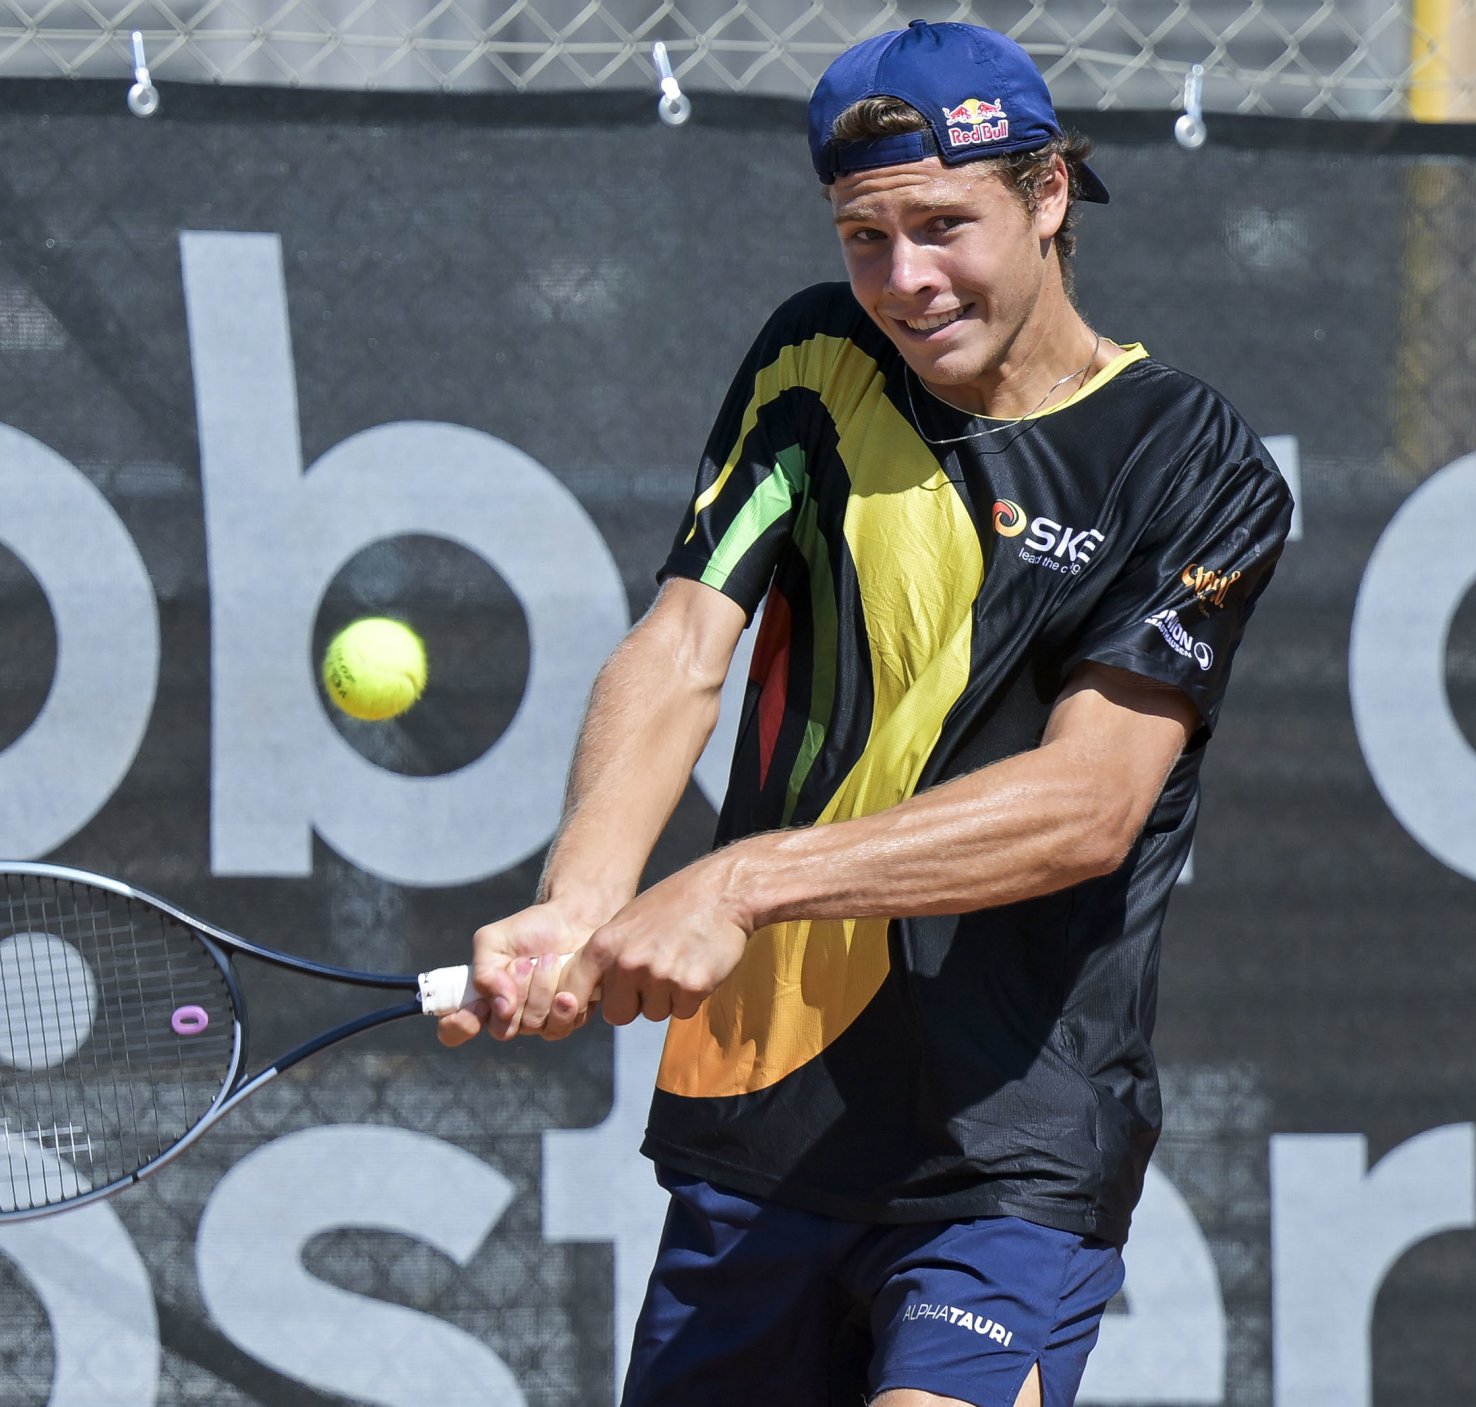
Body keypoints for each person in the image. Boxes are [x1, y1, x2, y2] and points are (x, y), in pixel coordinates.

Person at [438, 20, 1291, 1407]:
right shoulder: (814, 361)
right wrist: (577, 902)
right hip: (766, 1122)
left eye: (943, 226)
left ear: (1049, 195)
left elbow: (1089, 809)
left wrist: (740, 883)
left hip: (1008, 1145)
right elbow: (680, 645)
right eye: (864, 237)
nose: (905, 279)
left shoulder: (1194, 463)